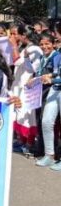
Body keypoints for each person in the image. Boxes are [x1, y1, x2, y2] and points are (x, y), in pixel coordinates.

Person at [11, 26, 42, 154]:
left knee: (28, 115)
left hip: (28, 87)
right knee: (19, 114)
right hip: (19, 85)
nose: (13, 37)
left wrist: (13, 46)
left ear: (24, 35)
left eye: (15, 34)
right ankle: (21, 141)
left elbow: (25, 66)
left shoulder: (35, 49)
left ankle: (29, 143)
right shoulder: (25, 48)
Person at [34, 32, 61, 168]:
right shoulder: (58, 55)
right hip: (55, 89)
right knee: (46, 121)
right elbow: (58, 71)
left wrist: (52, 78)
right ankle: (49, 155)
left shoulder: (56, 54)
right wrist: (51, 75)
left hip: (57, 86)